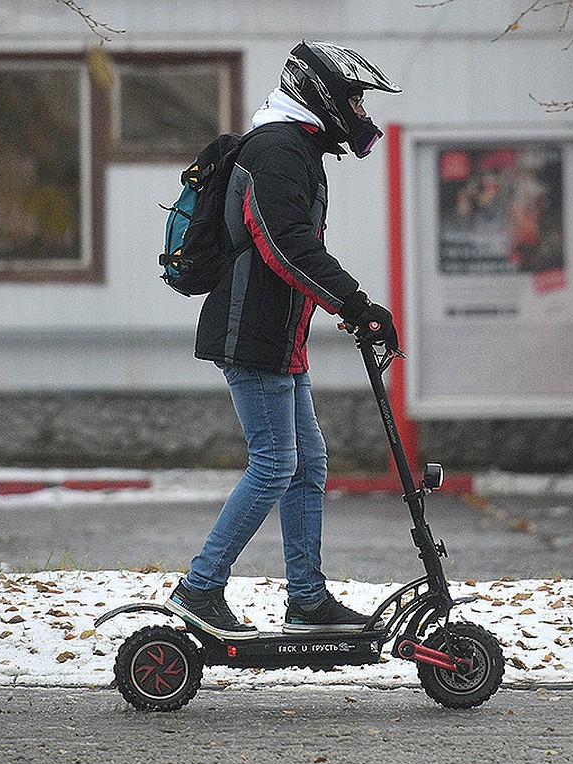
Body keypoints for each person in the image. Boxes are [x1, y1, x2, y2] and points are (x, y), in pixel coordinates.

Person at [166, 41, 401, 640]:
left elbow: (290, 246)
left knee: (306, 463)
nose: (359, 110)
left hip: (277, 337)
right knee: (275, 463)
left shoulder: (295, 149)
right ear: (319, 92)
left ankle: (307, 598)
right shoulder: (277, 150)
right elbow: (283, 244)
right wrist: (355, 305)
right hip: (252, 333)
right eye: (353, 96)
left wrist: (346, 307)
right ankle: (200, 588)